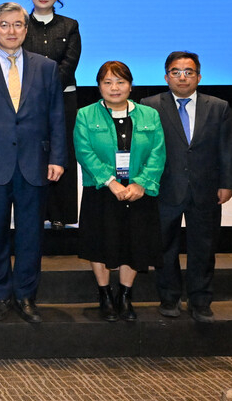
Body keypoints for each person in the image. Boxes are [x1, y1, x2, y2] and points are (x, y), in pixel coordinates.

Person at [0, 2, 66, 324]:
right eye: (4, 25)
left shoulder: (46, 67)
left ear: (26, 28)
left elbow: (56, 116)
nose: (11, 31)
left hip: (35, 162)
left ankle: (26, 295)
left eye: (18, 25)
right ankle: (0, 295)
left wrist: (58, 157)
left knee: (31, 235)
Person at [142, 51, 232, 323]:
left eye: (188, 72)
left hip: (205, 189)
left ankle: (201, 300)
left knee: (203, 248)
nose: (182, 77)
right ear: (166, 76)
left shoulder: (218, 106)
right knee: (164, 246)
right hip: (163, 188)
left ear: (199, 76)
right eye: (176, 71)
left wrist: (227, 183)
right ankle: (169, 297)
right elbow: (144, 148)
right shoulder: (150, 105)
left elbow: (227, 149)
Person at [73, 61, 165, 322]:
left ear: (130, 85)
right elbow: (85, 153)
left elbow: (157, 154)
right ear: (99, 86)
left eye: (120, 82)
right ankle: (104, 295)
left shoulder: (150, 115)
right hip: (101, 191)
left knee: (133, 242)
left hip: (138, 192)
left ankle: (125, 295)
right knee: (100, 242)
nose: (114, 88)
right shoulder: (85, 115)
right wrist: (111, 182)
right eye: (107, 82)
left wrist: (141, 184)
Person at [23, 0, 82, 229]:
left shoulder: (70, 25)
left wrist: (49, 87)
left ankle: (63, 214)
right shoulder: (21, 24)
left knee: (62, 151)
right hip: (29, 99)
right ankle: (38, 211)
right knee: (34, 153)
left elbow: (70, 62)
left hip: (63, 97)